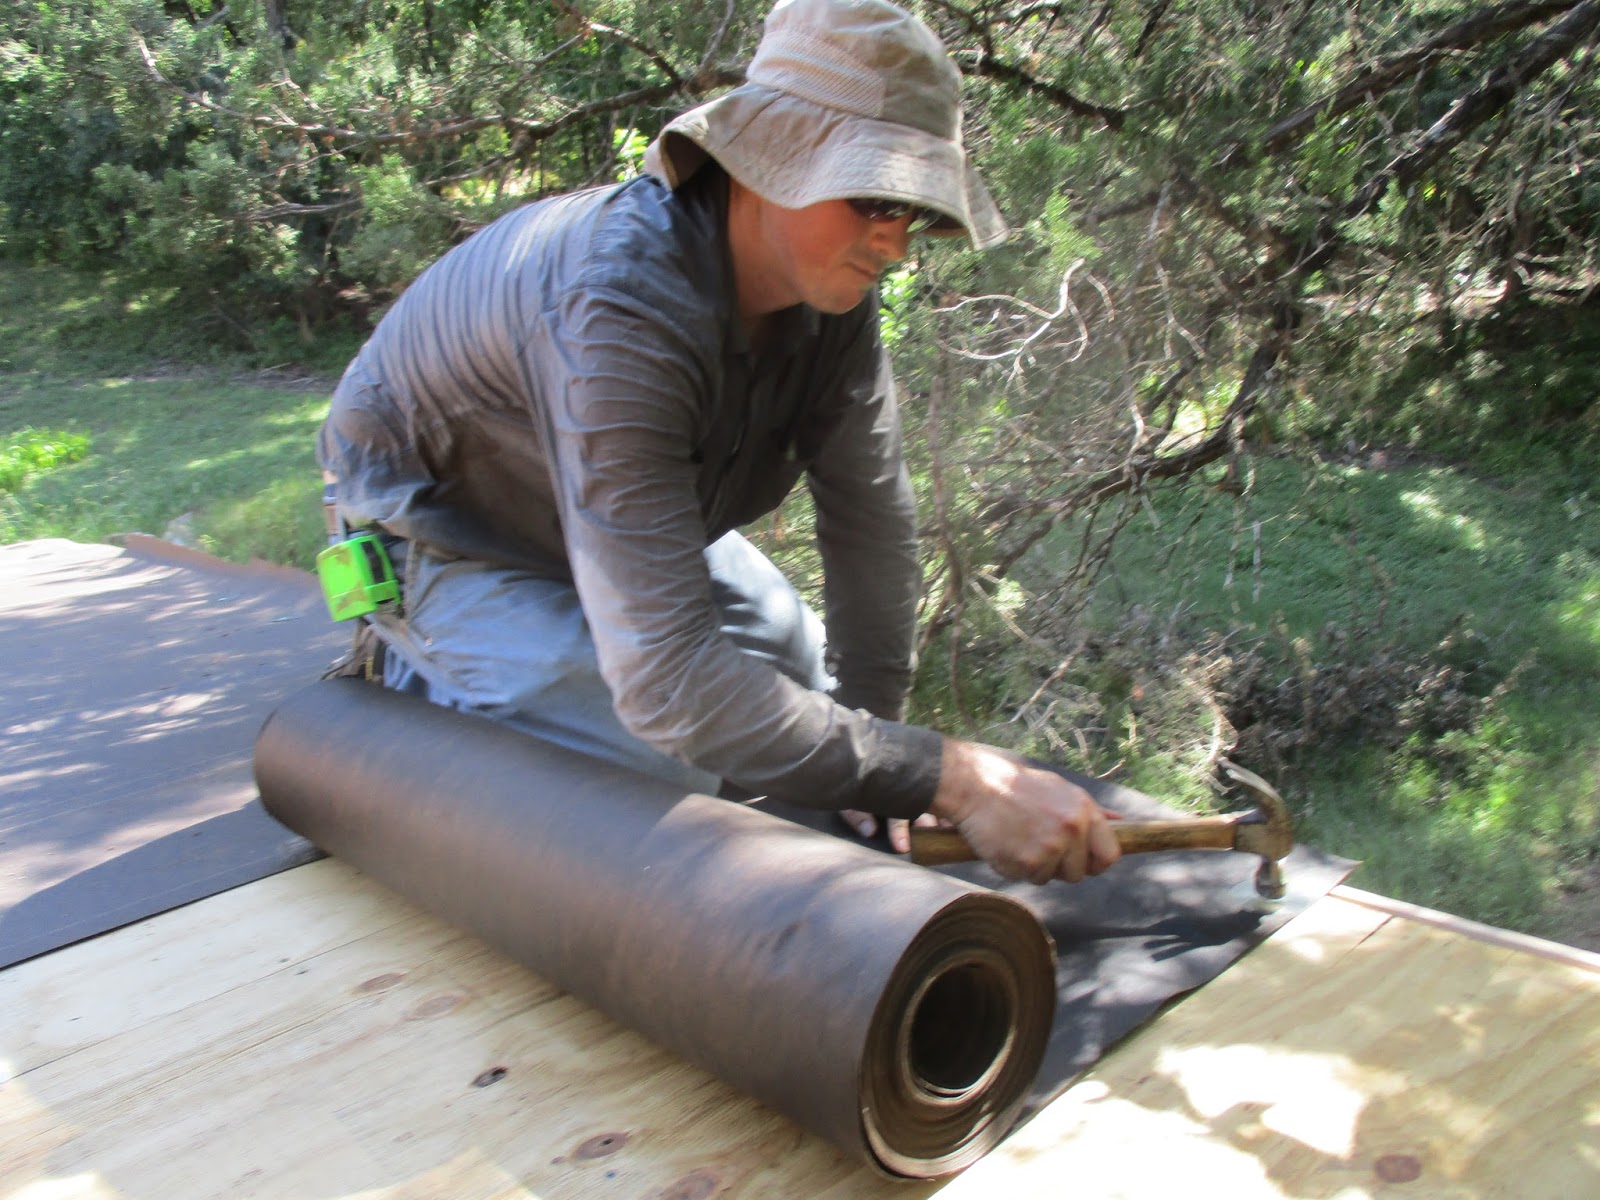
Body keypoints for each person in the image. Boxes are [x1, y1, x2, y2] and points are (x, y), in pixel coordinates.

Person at [317, 0, 1120, 886]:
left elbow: (873, 523)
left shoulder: (832, 308)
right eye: (877, 198)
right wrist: (953, 777)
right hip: (446, 535)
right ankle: (408, 674)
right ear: (770, 156)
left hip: (595, 525)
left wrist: (887, 756)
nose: (895, 243)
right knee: (664, 764)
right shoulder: (622, 307)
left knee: (813, 694)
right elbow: (671, 687)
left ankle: (560, 658)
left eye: (918, 212)